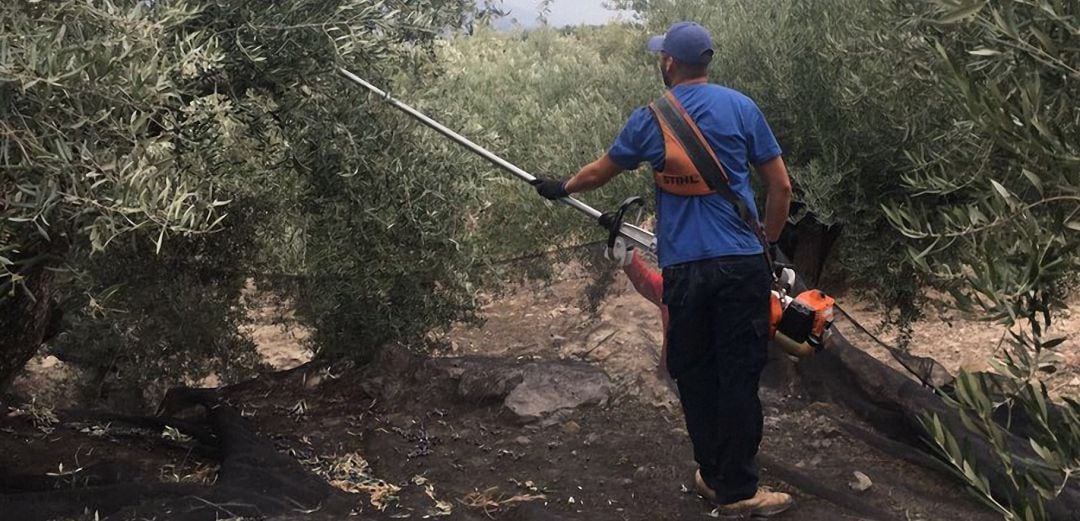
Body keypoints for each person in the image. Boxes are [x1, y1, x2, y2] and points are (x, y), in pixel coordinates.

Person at [532, 21, 795, 517]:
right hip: (742, 264)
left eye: (662, 56)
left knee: (694, 374)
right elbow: (780, 188)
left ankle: (717, 480)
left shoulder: (650, 118)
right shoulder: (742, 107)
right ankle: (738, 488)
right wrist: (771, 244)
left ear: (670, 63)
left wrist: (561, 187)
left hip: (685, 270)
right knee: (739, 376)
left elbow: (600, 171)